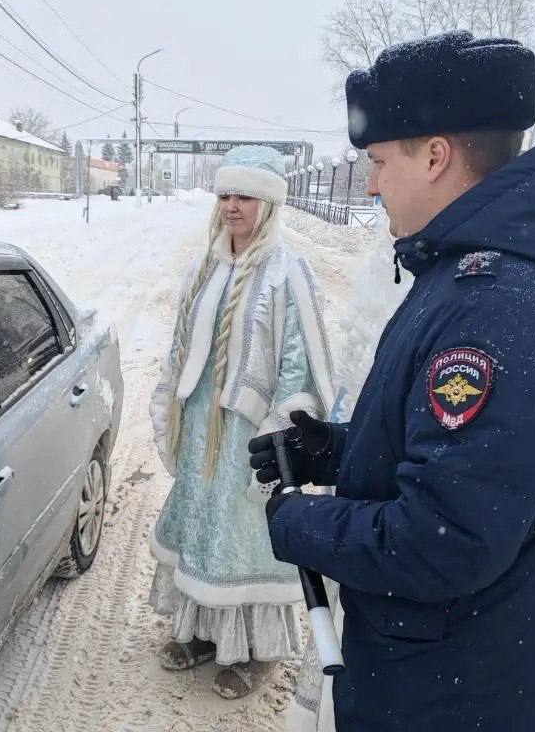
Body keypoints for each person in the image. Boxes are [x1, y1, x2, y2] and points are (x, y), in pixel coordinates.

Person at [250, 30, 535, 730]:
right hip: (463, 682)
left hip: (456, 702)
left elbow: (441, 541)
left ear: (435, 155)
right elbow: (473, 469)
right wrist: (341, 449)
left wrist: (299, 523)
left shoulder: (500, 306)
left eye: (379, 160)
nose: (370, 182)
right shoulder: (482, 275)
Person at [148, 145, 335, 699]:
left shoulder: (288, 273)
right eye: (225, 195)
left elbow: (300, 362)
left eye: (244, 196)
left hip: (249, 436)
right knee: (203, 530)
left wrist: (279, 435)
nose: (231, 206)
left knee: (248, 537)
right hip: (204, 431)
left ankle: (260, 651)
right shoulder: (204, 267)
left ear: (269, 204)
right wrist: (171, 409)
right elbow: (182, 349)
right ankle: (204, 633)